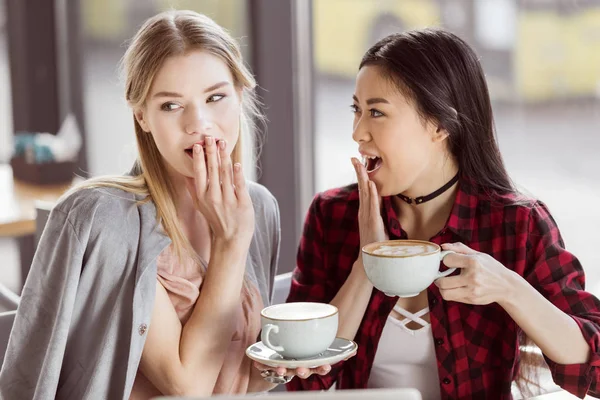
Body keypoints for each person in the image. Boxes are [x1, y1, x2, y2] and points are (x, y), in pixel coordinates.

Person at [283, 29, 600, 399]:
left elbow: (594, 371)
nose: (358, 132)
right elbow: (302, 379)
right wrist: (366, 265)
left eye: (376, 112)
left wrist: (510, 289)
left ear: (438, 124)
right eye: (356, 109)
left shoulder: (518, 224)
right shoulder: (333, 215)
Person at [0, 10, 283, 399]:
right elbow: (189, 387)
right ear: (142, 116)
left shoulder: (258, 207)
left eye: (216, 97)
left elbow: (233, 378)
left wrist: (281, 368)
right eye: (171, 105)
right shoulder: (105, 219)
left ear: (240, 94)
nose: (199, 123)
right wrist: (230, 242)